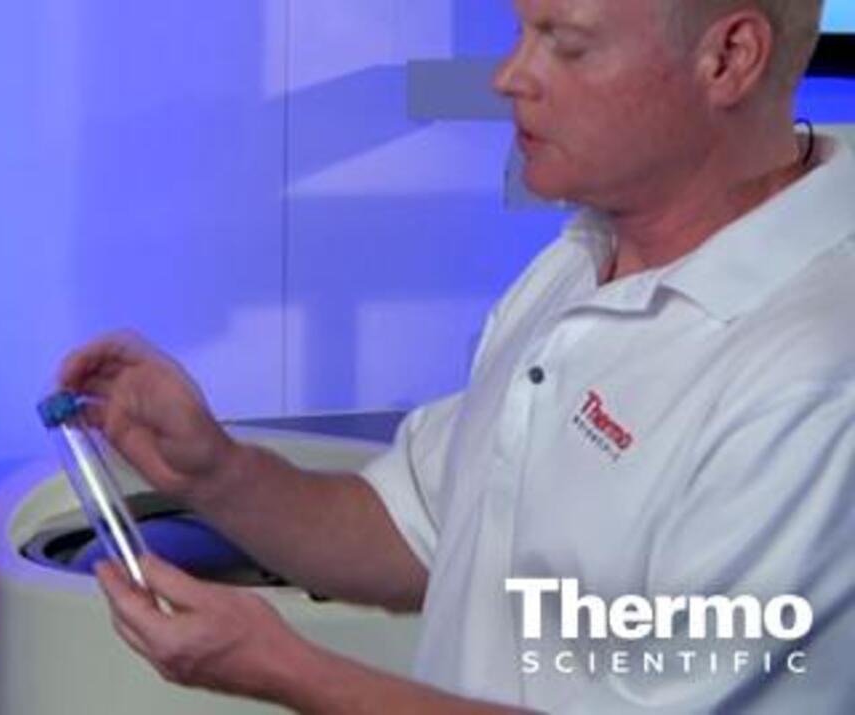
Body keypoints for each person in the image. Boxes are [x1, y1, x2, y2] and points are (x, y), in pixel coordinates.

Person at [58, 0, 855, 711]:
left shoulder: (812, 385)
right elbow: (411, 529)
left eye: (567, 45)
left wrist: (283, 670)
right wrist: (215, 473)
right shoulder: (578, 263)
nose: (510, 76)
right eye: (521, 32)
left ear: (729, 59)